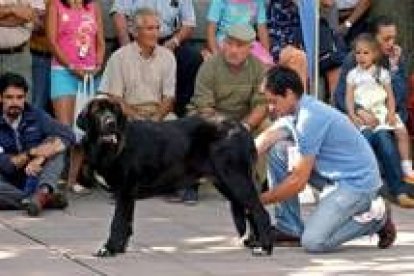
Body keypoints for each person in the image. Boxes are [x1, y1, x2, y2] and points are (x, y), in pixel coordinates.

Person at [256, 66, 396, 252]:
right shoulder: (294, 111)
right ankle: (289, 228)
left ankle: (378, 219)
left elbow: (298, 181)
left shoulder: (309, 118)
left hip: (357, 185)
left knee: (313, 242)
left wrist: (256, 201)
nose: (270, 108)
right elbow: (265, 139)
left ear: (289, 94)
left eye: (273, 101)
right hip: (334, 176)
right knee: (279, 151)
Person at [182, 24, 268, 204]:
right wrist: (225, 130)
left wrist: (244, 127)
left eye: (239, 46)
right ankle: (192, 182)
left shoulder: (259, 69)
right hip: (212, 118)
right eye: (229, 43)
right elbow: (204, 107)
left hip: (243, 120)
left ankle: (257, 182)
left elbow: (261, 105)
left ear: (250, 48)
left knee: (267, 126)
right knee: (194, 124)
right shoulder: (209, 67)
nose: (233, 50)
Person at [334, 16, 414, 208]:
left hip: (386, 114)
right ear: (373, 39)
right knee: (371, 137)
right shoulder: (356, 58)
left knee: (385, 137)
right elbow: (340, 95)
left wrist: (395, 68)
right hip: (362, 116)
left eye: (393, 38)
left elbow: (400, 95)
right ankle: (384, 190)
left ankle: (399, 190)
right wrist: (359, 112)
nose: (391, 43)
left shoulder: (394, 59)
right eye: (386, 39)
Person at [47, 0, 105, 193]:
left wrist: (98, 63)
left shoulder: (93, 7)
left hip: (89, 75)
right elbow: (52, 41)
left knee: (83, 130)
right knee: (65, 130)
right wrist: (71, 66)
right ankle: (52, 178)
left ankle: (72, 180)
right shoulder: (55, 5)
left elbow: (100, 41)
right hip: (63, 72)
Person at [0, 73, 75, 216]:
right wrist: (32, 153)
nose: (15, 102)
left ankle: (43, 192)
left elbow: (69, 134)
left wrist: (40, 158)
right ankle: (43, 199)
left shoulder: (36, 115)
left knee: (56, 143)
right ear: (0, 98)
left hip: (37, 175)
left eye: (20, 97)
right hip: (7, 181)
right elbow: (7, 165)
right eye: (9, 97)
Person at [111, 0, 203, 117]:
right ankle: (127, 110)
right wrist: (128, 48)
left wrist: (173, 42)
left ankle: (178, 112)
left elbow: (189, 24)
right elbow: (118, 14)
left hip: (168, 39)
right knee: (119, 55)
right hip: (136, 37)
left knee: (192, 58)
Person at [345, 33, 414, 184]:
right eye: (358, 53)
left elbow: (390, 96)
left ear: (374, 55)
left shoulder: (381, 73)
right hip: (364, 113)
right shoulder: (352, 75)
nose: (361, 56)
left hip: (381, 109)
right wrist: (352, 114)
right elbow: (349, 98)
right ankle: (364, 172)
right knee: (363, 137)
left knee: (402, 132)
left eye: (365, 53)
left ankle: (406, 166)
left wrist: (391, 112)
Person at [99, 8, 177, 121]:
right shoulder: (119, 57)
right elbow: (115, 99)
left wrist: (155, 119)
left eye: (158, 28)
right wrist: (138, 119)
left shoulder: (168, 57)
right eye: (150, 29)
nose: (156, 33)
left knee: (174, 124)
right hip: (128, 115)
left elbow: (169, 98)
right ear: (135, 32)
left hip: (158, 115)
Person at [205, 0, 272, 65]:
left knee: (265, 64)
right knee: (233, 61)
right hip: (227, 40)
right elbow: (211, 30)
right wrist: (215, 54)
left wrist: (266, 53)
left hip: (248, 41)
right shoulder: (220, 1)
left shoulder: (258, 1)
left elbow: (262, 30)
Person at [0, 0, 35, 96]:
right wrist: (13, 9)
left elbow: (29, 15)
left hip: (19, 58)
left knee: (21, 104)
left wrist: (4, 11)